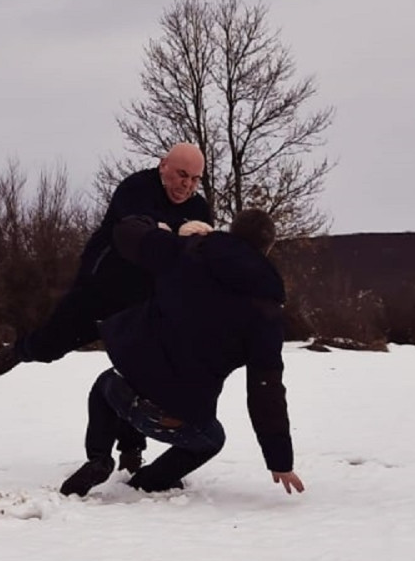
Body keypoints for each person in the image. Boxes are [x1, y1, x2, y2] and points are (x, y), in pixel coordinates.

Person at [59, 208, 305, 497]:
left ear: (232, 231)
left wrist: (166, 226)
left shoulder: (187, 251)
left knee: (103, 386)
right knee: (212, 439)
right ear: (268, 247)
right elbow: (266, 389)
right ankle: (149, 481)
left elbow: (126, 232)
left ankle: (99, 458)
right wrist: (279, 460)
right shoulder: (266, 312)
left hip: (122, 389)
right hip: (175, 418)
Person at [0, 142, 211, 379]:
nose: (187, 185)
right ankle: (21, 351)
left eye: (195, 179)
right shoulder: (136, 188)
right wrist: (179, 232)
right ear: (163, 165)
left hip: (149, 297)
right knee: (53, 342)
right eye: (182, 175)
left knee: (158, 358)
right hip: (103, 285)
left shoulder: (198, 208)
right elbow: (137, 229)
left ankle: (136, 396)